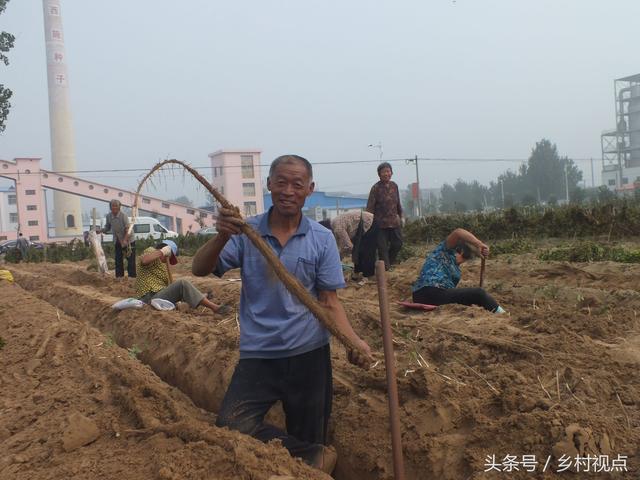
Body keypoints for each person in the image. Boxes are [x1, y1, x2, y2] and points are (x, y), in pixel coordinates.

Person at [192, 154, 373, 474]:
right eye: (281, 183)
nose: (288, 190)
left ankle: (309, 461)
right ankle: (313, 456)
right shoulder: (246, 233)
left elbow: (329, 301)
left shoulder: (322, 238)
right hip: (259, 355)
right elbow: (200, 268)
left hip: (309, 356)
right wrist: (221, 235)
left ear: (309, 189)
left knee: (308, 432)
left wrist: (353, 341)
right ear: (269, 185)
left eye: (297, 184)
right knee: (231, 425)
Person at [411, 228, 506, 313]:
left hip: (434, 296)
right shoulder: (444, 251)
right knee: (478, 293)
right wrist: (479, 244)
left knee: (472, 298)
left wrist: (479, 252)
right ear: (458, 251)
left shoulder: (457, 271)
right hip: (429, 291)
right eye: (463, 256)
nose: (461, 261)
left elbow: (451, 294)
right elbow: (458, 232)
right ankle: (503, 315)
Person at [136, 239, 227, 314]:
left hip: (159, 297)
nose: (167, 261)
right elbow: (144, 260)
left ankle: (202, 297)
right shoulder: (151, 251)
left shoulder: (161, 265)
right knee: (182, 284)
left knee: (182, 294)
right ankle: (215, 308)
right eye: (170, 256)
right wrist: (162, 252)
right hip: (149, 299)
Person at [366, 162, 403, 270]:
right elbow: (370, 207)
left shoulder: (394, 186)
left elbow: (398, 203)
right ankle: (386, 269)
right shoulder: (375, 188)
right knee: (382, 248)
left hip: (394, 222)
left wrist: (401, 216)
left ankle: (388, 264)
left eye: (388, 171)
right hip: (380, 224)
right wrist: (369, 223)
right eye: (384, 172)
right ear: (379, 174)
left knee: (398, 244)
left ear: (391, 173)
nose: (386, 174)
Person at [320, 210, 378, 278]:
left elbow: (348, 246)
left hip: (370, 222)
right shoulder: (334, 225)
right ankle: (357, 272)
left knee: (366, 251)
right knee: (358, 249)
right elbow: (340, 246)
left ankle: (368, 275)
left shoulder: (338, 228)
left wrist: (338, 258)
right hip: (360, 227)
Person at [101, 199, 136, 278]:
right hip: (117, 240)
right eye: (113, 206)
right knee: (118, 260)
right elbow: (107, 227)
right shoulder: (109, 216)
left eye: (116, 206)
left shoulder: (123, 216)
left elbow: (128, 230)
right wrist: (100, 231)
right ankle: (119, 277)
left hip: (129, 240)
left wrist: (125, 240)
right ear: (110, 207)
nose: (114, 208)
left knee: (130, 260)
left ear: (119, 207)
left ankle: (132, 277)